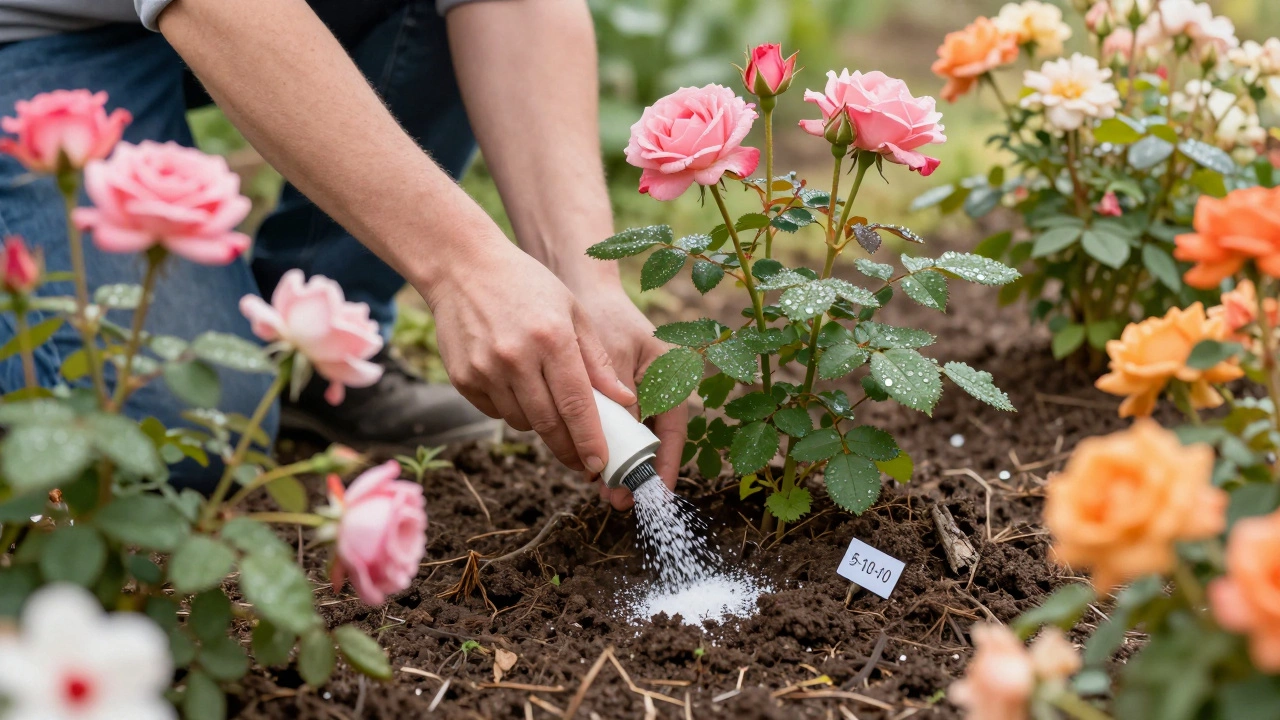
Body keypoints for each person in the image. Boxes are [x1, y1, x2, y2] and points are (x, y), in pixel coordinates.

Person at [0, 0, 686, 508]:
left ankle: (316, 347)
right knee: (181, 434)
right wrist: (464, 268)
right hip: (38, 33)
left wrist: (586, 278)